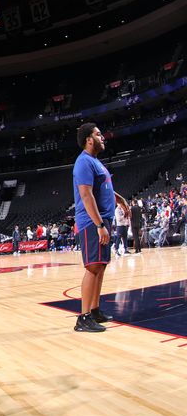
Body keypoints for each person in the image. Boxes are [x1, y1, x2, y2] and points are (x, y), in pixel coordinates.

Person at [72, 122, 129, 333]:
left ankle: (95, 311)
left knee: (101, 266)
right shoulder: (83, 162)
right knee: (93, 267)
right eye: (98, 134)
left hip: (103, 220)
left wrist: (120, 199)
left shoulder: (95, 162)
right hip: (91, 222)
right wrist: (99, 224)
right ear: (89, 139)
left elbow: (104, 188)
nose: (102, 137)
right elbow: (86, 195)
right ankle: (83, 318)